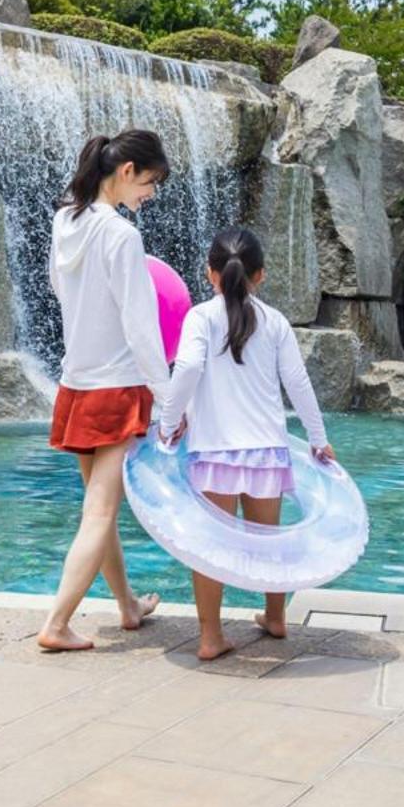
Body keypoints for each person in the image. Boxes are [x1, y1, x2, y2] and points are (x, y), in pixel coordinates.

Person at [157, 227, 333, 661]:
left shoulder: (200, 317)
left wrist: (168, 420)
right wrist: (318, 439)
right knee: (268, 543)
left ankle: (211, 636)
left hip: (214, 450)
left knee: (209, 546)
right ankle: (275, 617)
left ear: (209, 274)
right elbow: (297, 382)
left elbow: (189, 367)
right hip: (266, 452)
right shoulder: (274, 322)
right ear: (261, 275)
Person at [36, 129, 174, 653]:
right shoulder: (120, 235)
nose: (150, 194)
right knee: (99, 513)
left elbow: (57, 286)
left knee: (101, 507)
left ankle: (127, 606)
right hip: (116, 390)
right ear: (126, 171)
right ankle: (56, 623)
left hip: (76, 384)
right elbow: (142, 327)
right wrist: (167, 400)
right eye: (150, 182)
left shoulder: (65, 220)